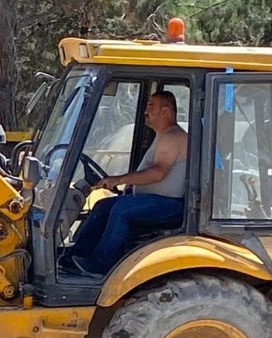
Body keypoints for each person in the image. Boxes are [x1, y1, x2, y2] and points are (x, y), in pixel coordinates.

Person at [62, 90, 187, 276]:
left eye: (151, 106)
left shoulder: (172, 137)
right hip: (155, 199)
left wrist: (120, 179)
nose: (146, 111)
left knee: (122, 209)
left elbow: (158, 173)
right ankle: (75, 257)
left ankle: (100, 264)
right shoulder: (163, 135)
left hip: (169, 204)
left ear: (166, 111)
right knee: (103, 205)